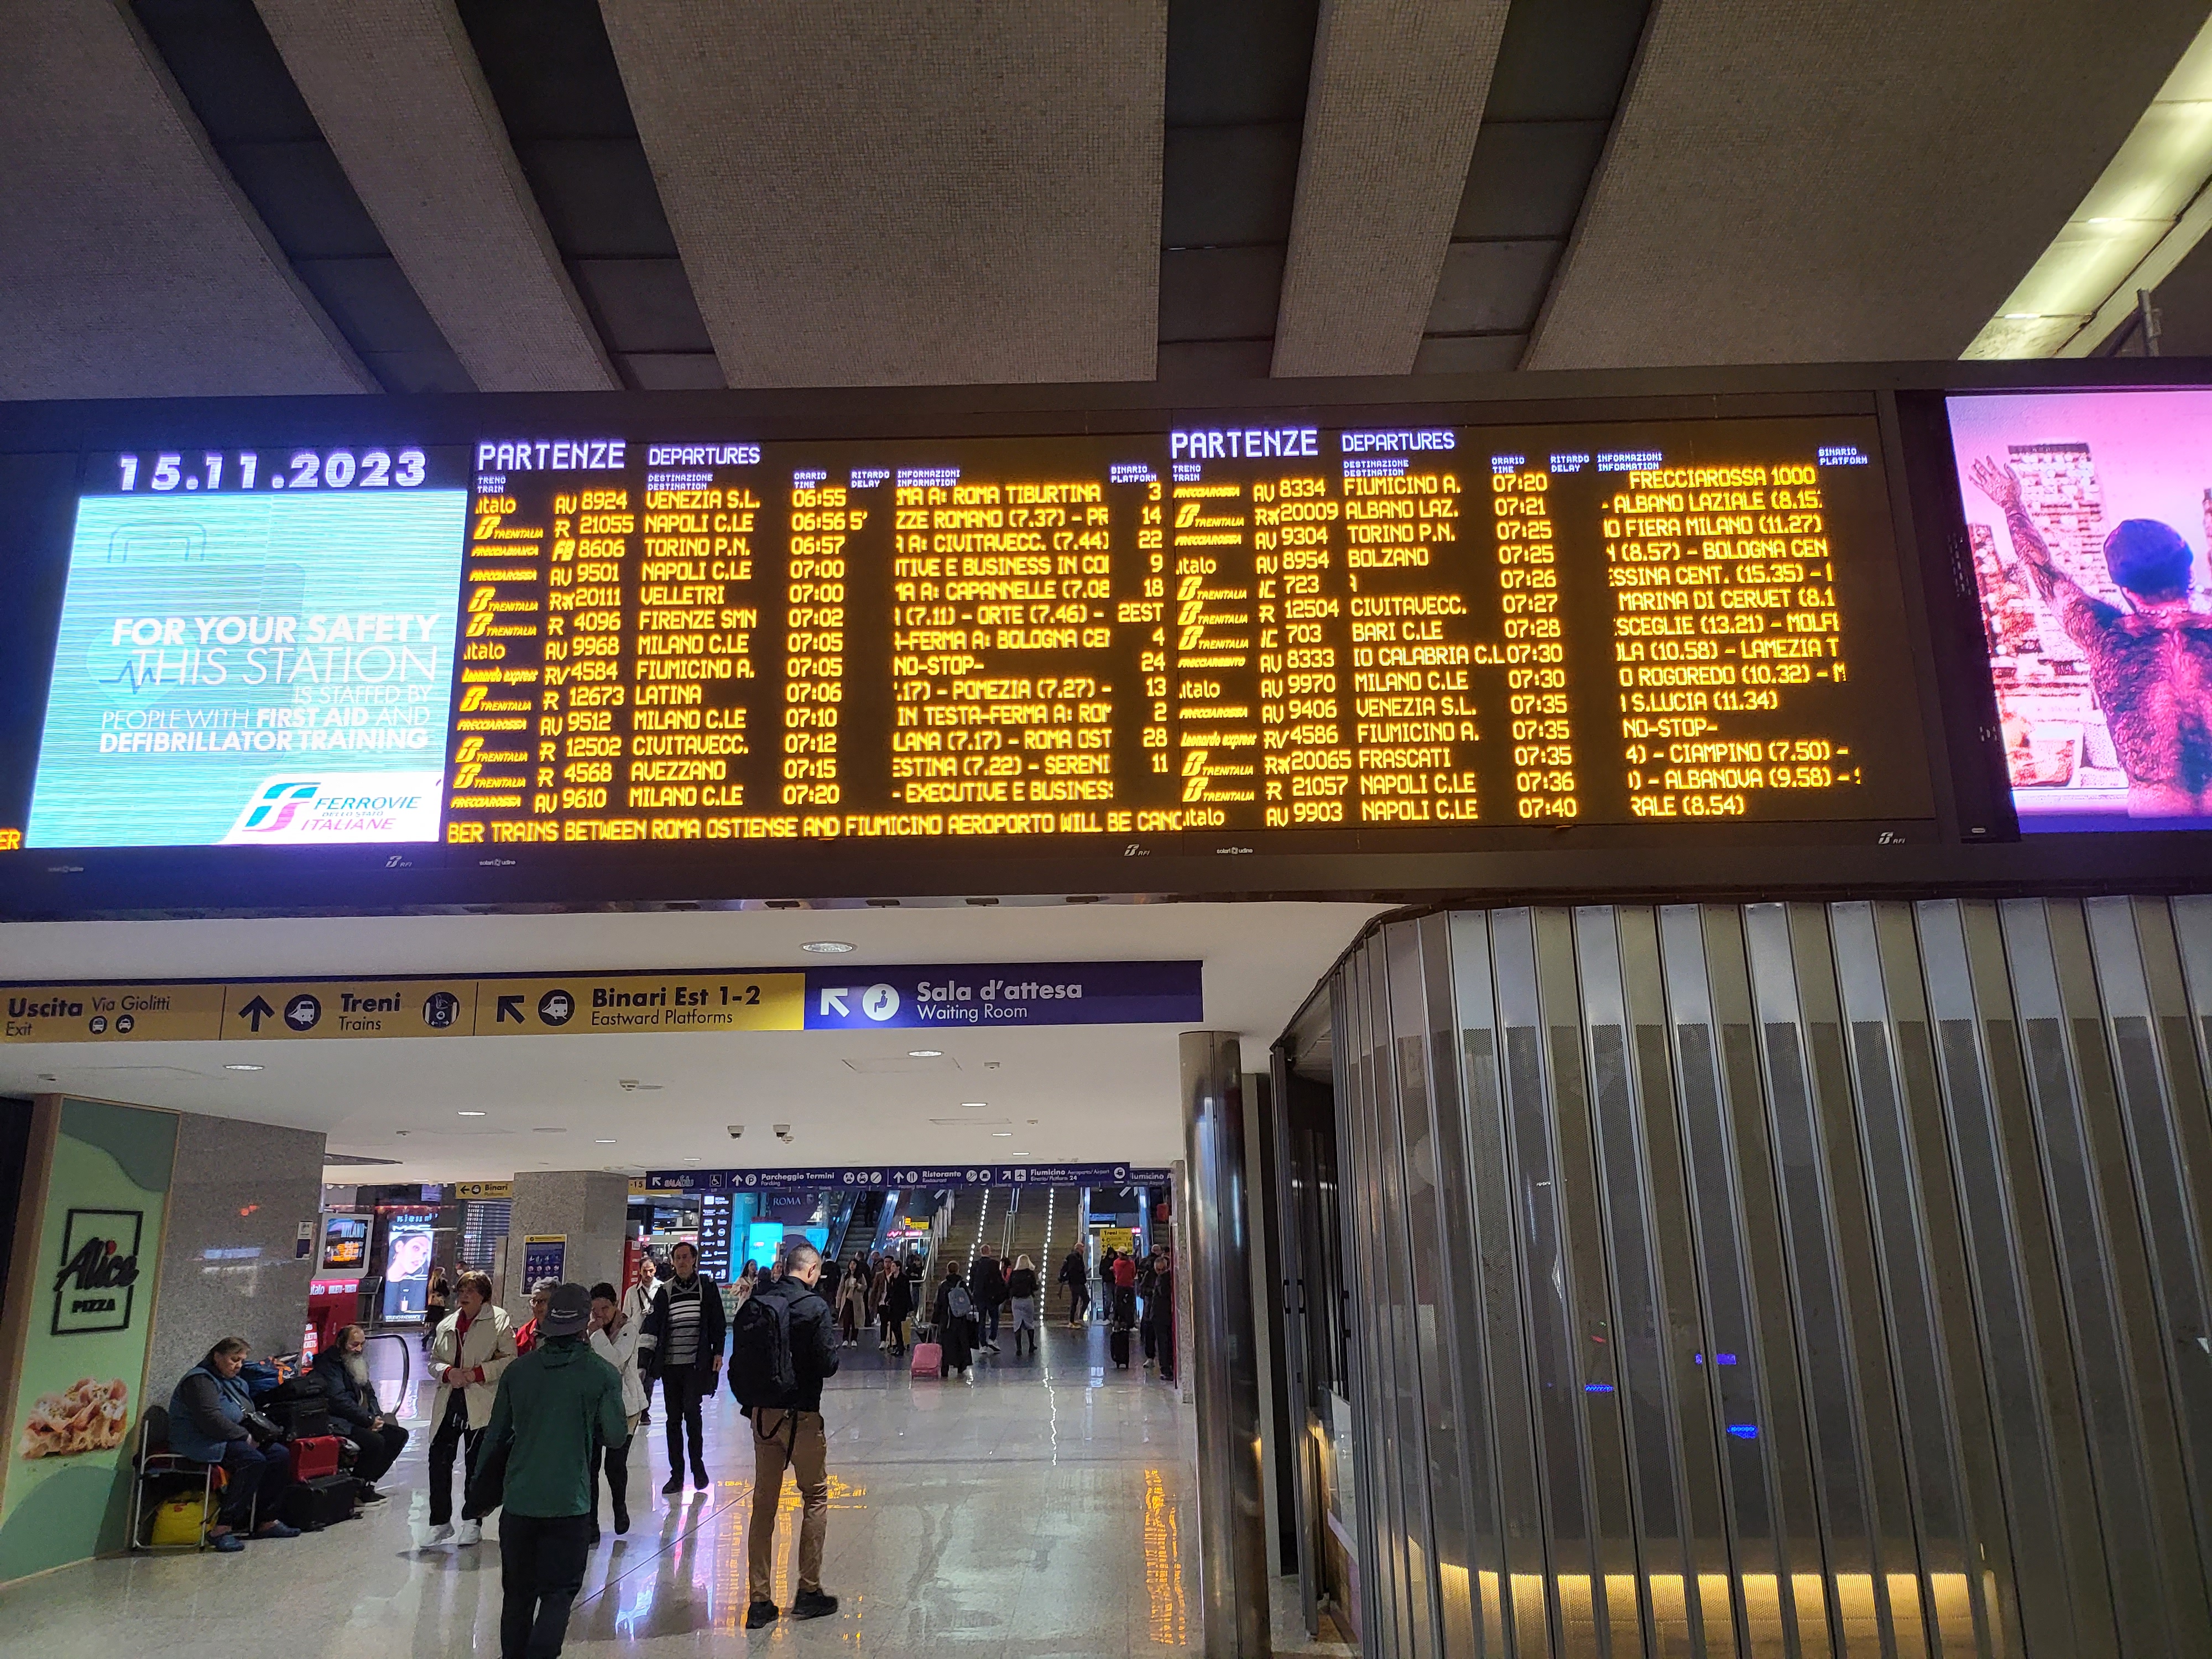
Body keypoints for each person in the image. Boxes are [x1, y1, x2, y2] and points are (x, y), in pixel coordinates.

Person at [1971, 456, 2212, 816]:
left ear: (2125, 588)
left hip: (2156, 827)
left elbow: (2043, 570)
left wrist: (2011, 503)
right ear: (2189, 572)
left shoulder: (2105, 636)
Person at [476, 1282, 627, 1659]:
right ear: (584, 1323)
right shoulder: (602, 1374)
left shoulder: (518, 1371)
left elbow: (494, 1437)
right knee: (558, 1594)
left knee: (518, 1595)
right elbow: (615, 1436)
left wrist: (478, 1492)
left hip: (519, 1502)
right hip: (569, 1504)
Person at [733, 1240, 843, 1629]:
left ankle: (759, 1601)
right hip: (803, 1417)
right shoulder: (814, 1307)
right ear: (812, 1271)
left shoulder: (759, 1301)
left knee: (764, 1504)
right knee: (815, 1496)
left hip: (763, 1417)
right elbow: (827, 1364)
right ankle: (808, 1591)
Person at [167, 1337, 300, 1551]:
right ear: (217, 1357)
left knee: (279, 1455)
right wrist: (246, 1437)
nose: (238, 1366)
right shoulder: (199, 1381)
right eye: (234, 1360)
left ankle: (267, 1521)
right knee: (252, 1461)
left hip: (229, 1437)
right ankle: (222, 1529)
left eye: (242, 1361)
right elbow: (211, 1420)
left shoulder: (234, 1381)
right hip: (201, 1439)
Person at [421, 1269, 518, 1547]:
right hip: (450, 1400)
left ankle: (472, 1521)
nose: (464, 1296)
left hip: (480, 1401)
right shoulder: (447, 1324)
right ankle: (440, 1522)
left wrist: (478, 1373)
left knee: (476, 1464)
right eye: (461, 1291)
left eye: (471, 1291)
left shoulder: (499, 1320)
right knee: (439, 1460)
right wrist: (447, 1372)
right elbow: (434, 1361)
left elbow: (509, 1359)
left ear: (483, 1297)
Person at [637, 1239, 726, 1494]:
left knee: (693, 1414)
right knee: (673, 1419)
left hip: (695, 1365)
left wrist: (718, 1352)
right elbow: (652, 1327)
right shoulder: (665, 1291)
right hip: (671, 1366)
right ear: (673, 1263)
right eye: (678, 1258)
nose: (682, 1262)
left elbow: (718, 1322)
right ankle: (677, 1475)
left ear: (694, 1260)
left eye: (686, 1257)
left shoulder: (706, 1287)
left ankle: (698, 1467)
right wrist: (644, 1363)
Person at [313, 1322, 408, 1499]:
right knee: (375, 1442)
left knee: (399, 1435)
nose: (359, 1349)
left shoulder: (357, 1364)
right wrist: (368, 1420)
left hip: (361, 1418)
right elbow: (338, 1400)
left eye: (362, 1344)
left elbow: (370, 1394)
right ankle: (356, 1485)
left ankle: (367, 1482)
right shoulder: (328, 1365)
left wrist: (376, 1416)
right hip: (339, 1420)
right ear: (341, 1344)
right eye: (354, 1345)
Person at [587, 1281, 645, 1537]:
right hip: (594, 1407)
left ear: (616, 1306)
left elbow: (615, 1362)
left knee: (615, 1464)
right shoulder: (588, 1330)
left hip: (625, 1407)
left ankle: (619, 1508)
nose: (600, 1315)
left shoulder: (628, 1329)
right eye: (595, 1310)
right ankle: (591, 1524)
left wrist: (596, 1335)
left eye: (605, 1309)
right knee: (590, 1466)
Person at [621, 1254, 660, 1427]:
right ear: (640, 1272)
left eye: (651, 1270)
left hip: (653, 1340)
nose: (648, 1274)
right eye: (645, 1271)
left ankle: (645, 1411)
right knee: (636, 1376)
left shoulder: (662, 1289)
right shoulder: (632, 1292)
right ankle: (636, 1408)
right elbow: (626, 1315)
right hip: (636, 1340)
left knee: (649, 1377)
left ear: (655, 1270)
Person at [931, 1262, 977, 1379]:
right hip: (961, 1320)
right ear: (958, 1270)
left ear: (947, 1270)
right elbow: (970, 1300)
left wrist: (935, 1320)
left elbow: (938, 1304)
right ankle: (961, 1366)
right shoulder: (962, 1284)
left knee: (947, 1345)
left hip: (947, 1320)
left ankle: (945, 1368)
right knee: (961, 1343)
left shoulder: (944, 1285)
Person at [969, 1246, 1006, 1353]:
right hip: (992, 1297)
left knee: (981, 1320)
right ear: (989, 1252)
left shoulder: (975, 1265)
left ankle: (983, 1345)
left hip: (979, 1296)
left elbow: (972, 1281)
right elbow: (998, 1280)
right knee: (994, 1318)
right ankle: (992, 1339)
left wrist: (972, 1293)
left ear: (981, 1252)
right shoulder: (994, 1264)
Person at [1005, 1255, 1040, 1357]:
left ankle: (1019, 1348)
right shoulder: (1030, 1273)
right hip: (1027, 1299)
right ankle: (1031, 1345)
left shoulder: (1014, 1273)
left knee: (1017, 1324)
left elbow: (1008, 1286)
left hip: (1016, 1301)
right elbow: (1034, 1287)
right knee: (1030, 1323)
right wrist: (1039, 1281)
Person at [879, 1259, 914, 1358]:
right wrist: (887, 1300)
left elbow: (906, 1293)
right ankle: (899, 1346)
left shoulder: (904, 1278)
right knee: (895, 1326)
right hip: (893, 1305)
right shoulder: (892, 1278)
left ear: (898, 1267)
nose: (892, 1268)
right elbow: (890, 1291)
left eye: (894, 1266)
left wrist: (910, 1307)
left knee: (897, 1325)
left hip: (901, 1305)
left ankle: (900, 1347)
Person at [515, 1278, 555, 1355]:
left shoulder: (568, 1331)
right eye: (534, 1301)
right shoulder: (524, 1333)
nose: (537, 1306)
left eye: (542, 1301)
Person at [836, 1261, 869, 1345]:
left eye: (854, 1264)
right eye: (851, 1264)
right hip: (847, 1300)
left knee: (855, 1320)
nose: (852, 1266)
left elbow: (865, 1287)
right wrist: (838, 1302)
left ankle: (854, 1339)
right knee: (846, 1320)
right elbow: (841, 1289)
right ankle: (845, 1339)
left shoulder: (861, 1276)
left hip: (856, 1301)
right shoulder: (845, 1276)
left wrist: (858, 1285)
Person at [1058, 1247, 1089, 1325]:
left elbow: (1065, 1268)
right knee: (1078, 1300)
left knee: (1081, 1300)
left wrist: (1062, 1277)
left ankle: (1076, 1319)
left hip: (1078, 1282)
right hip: (1076, 1282)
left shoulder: (1077, 1257)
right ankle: (1074, 1319)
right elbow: (1070, 1269)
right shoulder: (1074, 1257)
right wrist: (1064, 1277)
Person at [423, 1266, 451, 1354]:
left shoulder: (431, 1283)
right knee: (438, 1324)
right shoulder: (442, 1282)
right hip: (439, 1305)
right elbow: (446, 1293)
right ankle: (432, 1340)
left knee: (435, 1324)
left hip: (432, 1304)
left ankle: (428, 1338)